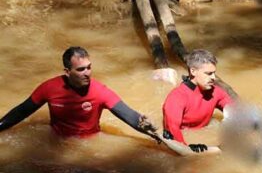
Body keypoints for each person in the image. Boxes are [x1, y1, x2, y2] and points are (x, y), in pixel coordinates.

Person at [0, 46, 158, 140]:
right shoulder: (49, 88)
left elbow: (129, 115)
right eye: (81, 69)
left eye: (89, 67)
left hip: (91, 144)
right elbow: (20, 112)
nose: (87, 73)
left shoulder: (100, 92)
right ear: (67, 72)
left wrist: (152, 131)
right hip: (57, 143)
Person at [162, 49, 233, 152]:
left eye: (214, 73)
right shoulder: (176, 98)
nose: (214, 78)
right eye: (208, 74)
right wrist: (188, 150)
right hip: (184, 140)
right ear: (193, 71)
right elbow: (173, 133)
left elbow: (236, 113)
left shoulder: (216, 92)